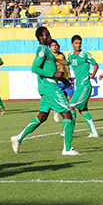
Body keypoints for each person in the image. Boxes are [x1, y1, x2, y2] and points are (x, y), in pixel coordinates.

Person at [10, 26, 80, 155]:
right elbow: (35, 68)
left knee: (42, 116)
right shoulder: (42, 50)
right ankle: (67, 148)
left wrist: (63, 79)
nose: (50, 37)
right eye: (47, 35)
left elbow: (52, 71)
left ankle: (18, 138)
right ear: (41, 37)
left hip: (46, 86)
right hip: (49, 87)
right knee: (67, 113)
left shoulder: (46, 51)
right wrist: (53, 74)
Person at [67, 35, 100, 137]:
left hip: (85, 85)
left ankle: (70, 131)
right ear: (72, 44)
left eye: (80, 43)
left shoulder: (85, 54)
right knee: (82, 110)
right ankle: (94, 132)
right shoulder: (71, 55)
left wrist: (93, 74)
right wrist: (55, 59)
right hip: (79, 86)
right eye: (76, 43)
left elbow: (95, 64)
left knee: (71, 106)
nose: (78, 45)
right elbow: (67, 63)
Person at [50, 40, 74, 122]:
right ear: (50, 48)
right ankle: (56, 112)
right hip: (57, 82)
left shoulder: (62, 54)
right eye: (53, 45)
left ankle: (72, 118)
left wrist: (69, 76)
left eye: (56, 45)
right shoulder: (49, 56)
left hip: (65, 80)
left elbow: (66, 65)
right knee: (60, 100)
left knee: (70, 100)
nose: (55, 47)